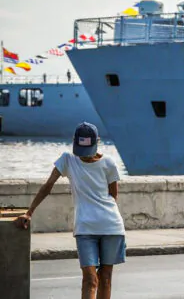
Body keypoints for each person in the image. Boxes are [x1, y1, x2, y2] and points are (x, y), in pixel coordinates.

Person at [15, 122, 125, 299]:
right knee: (90, 279)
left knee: (105, 278)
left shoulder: (108, 163)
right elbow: (48, 186)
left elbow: (113, 196)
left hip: (111, 226)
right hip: (84, 228)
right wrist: (29, 212)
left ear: (97, 143)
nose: (84, 157)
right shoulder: (67, 159)